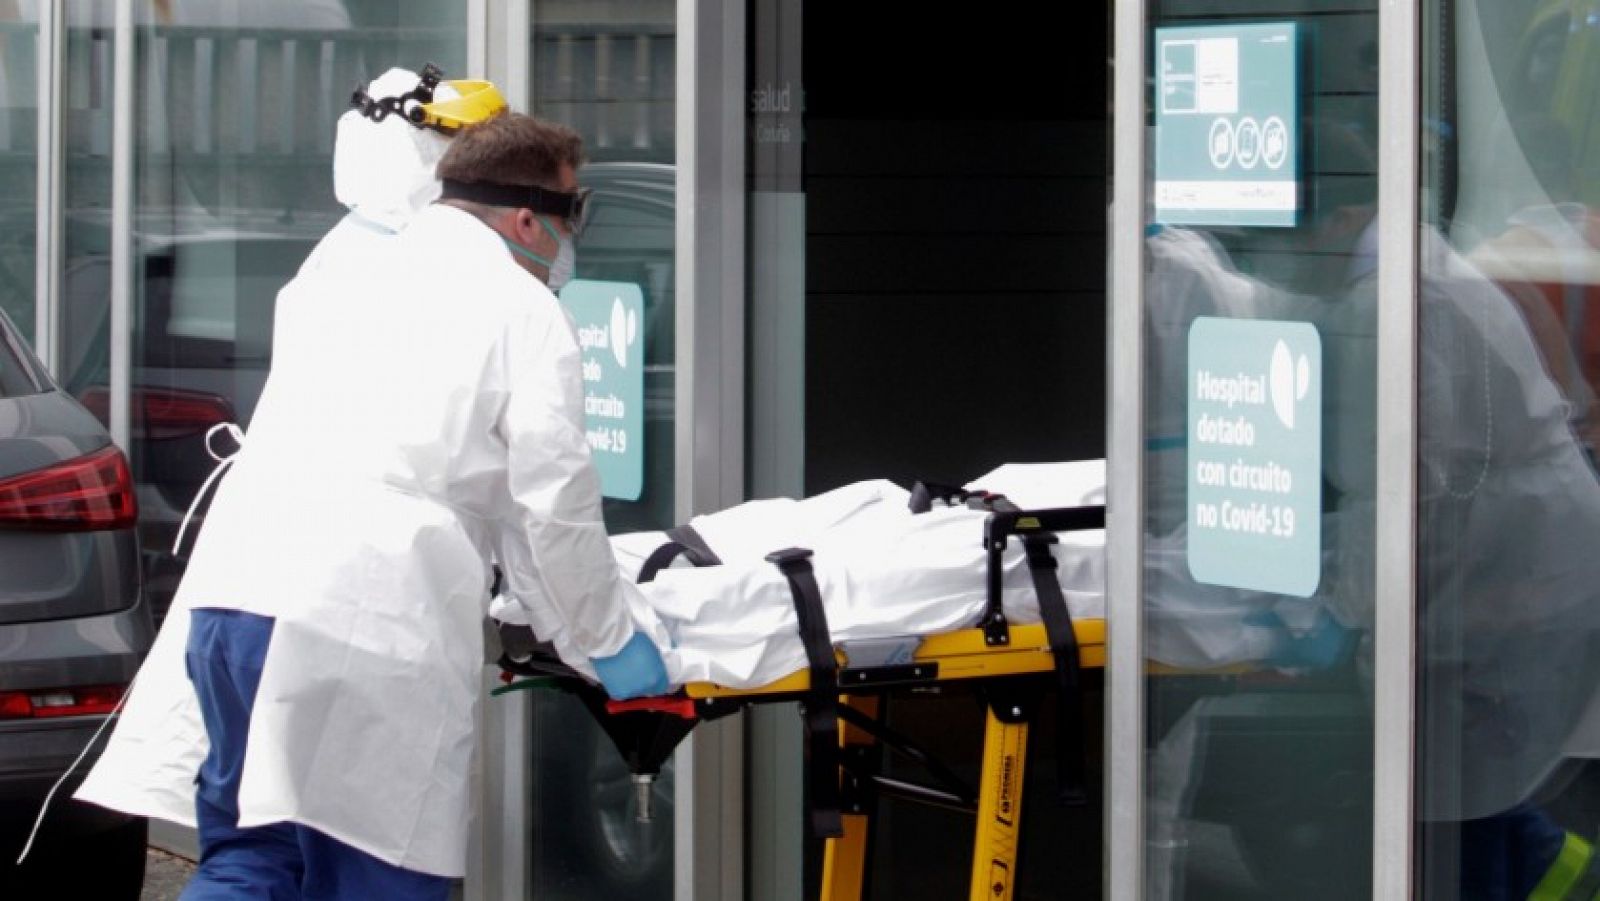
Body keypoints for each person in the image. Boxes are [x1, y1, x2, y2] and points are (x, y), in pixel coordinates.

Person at [77, 81, 674, 897]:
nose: (572, 238)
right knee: (380, 871)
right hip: (362, 622)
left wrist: (556, 615)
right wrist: (607, 642)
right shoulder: (523, 309)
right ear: (526, 219)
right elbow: (553, 507)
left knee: (252, 859)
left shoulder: (341, 270)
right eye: (575, 213)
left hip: (236, 599)